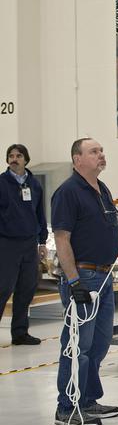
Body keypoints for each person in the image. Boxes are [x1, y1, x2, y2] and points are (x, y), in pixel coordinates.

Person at [51, 137, 118, 425]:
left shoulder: (102, 190)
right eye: (94, 152)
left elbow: (114, 224)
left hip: (105, 276)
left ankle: (87, 399)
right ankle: (66, 408)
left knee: (99, 343)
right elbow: (62, 239)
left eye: (101, 151)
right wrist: (74, 281)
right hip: (84, 276)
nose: (101, 155)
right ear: (77, 159)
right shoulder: (68, 192)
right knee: (78, 345)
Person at [1, 144, 47, 345]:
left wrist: (42, 241)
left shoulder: (34, 185)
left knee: (27, 288)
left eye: (18, 155)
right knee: (3, 288)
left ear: (25, 159)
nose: (14, 159)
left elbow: (40, 214)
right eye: (10, 156)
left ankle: (20, 333)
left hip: (29, 243)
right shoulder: (1, 183)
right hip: (7, 242)